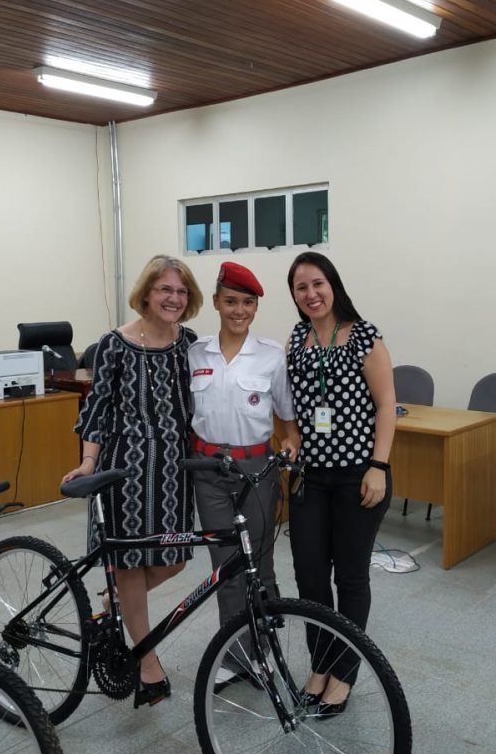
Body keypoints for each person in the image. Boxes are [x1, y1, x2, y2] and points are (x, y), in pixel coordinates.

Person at [63, 254, 203, 709]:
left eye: (181, 291)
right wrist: (89, 462)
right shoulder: (115, 344)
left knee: (174, 558)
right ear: (146, 293)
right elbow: (97, 409)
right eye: (165, 289)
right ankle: (147, 662)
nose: (173, 298)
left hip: (175, 469)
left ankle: (116, 600)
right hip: (125, 470)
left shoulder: (189, 343)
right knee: (130, 561)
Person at [285, 251, 395, 718]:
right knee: (310, 576)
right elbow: (290, 405)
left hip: (357, 477)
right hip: (310, 479)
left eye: (318, 284)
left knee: (350, 577)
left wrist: (379, 466)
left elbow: (387, 405)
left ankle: (344, 673)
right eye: (301, 287)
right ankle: (320, 665)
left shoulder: (365, 335)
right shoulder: (297, 339)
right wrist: (291, 439)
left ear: (333, 285)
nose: (311, 294)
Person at [187, 262, 299, 691]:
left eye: (247, 303)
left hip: (256, 471)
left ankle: (263, 646)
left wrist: (291, 443)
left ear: (255, 307)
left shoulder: (271, 356)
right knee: (227, 566)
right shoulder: (195, 354)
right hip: (209, 473)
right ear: (216, 302)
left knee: (260, 564)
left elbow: (287, 419)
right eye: (231, 301)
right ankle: (237, 655)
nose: (239, 310)